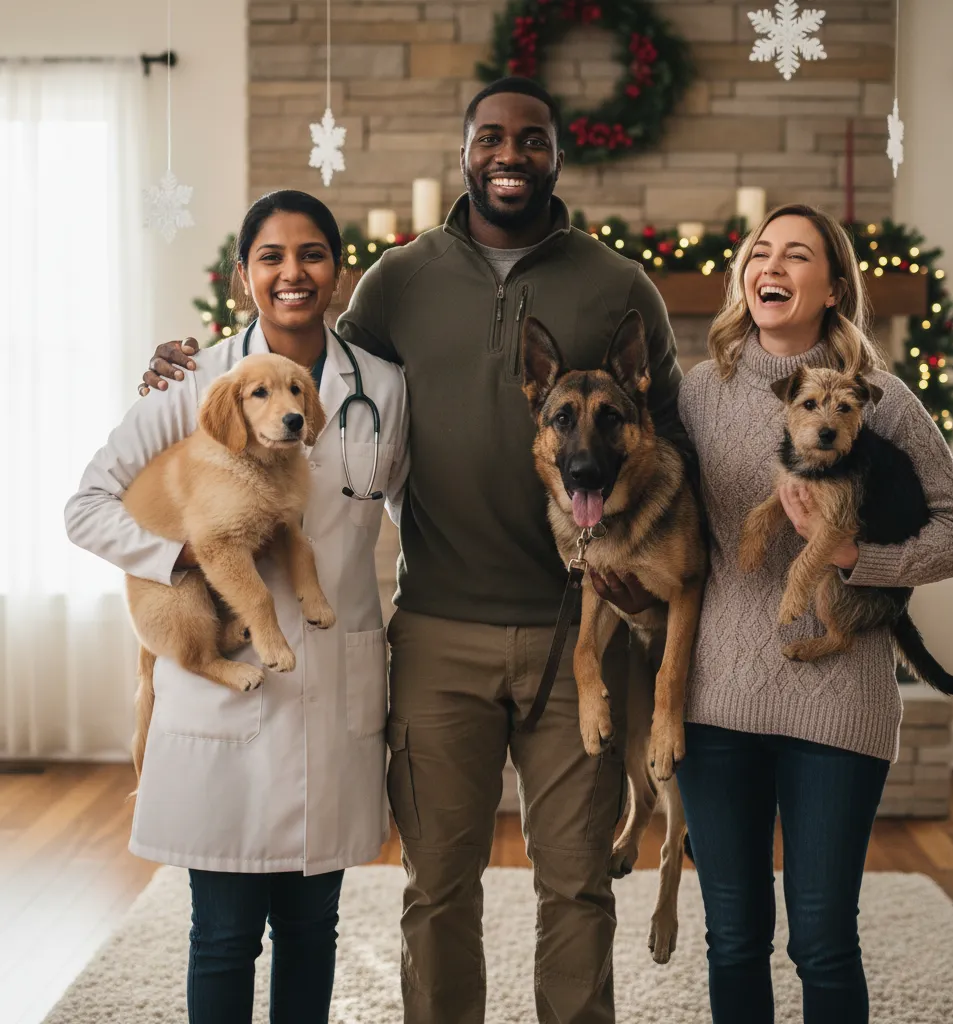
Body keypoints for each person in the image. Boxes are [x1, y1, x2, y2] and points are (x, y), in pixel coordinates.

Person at [138, 77, 686, 1024]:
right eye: (489, 137)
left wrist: (653, 581)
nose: (508, 154)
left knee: (578, 886)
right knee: (437, 889)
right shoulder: (398, 278)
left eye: (530, 138)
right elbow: (301, 384)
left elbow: (669, 430)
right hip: (436, 634)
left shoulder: (617, 283)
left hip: (575, 636)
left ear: (560, 153)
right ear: (464, 149)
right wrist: (189, 377)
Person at [66, 190, 410, 1024]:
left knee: (313, 927)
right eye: (271, 257)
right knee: (223, 934)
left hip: (334, 682)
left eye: (313, 254)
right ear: (244, 276)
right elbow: (87, 507)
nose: (293, 273)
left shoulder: (386, 389)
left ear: (338, 270)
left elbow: (416, 515)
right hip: (220, 694)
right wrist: (183, 553)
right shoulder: (194, 380)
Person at [674, 203, 953, 1024]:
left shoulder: (881, 400)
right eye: (759, 252)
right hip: (717, 700)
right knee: (734, 937)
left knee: (822, 940)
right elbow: (671, 527)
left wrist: (856, 558)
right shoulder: (698, 392)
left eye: (797, 255)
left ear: (833, 287)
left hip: (841, 694)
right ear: (744, 276)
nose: (770, 266)